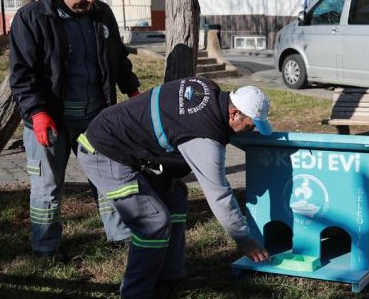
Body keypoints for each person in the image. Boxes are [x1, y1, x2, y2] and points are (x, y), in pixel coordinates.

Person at [75, 79, 272, 298]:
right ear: (234, 114)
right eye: (250, 126)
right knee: (153, 222)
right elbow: (219, 196)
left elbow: (171, 124)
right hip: (103, 153)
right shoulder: (205, 137)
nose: (250, 130)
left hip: (124, 143)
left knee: (175, 196)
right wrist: (245, 240)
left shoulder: (209, 90)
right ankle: (135, 293)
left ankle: (170, 277)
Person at [9, 0, 140, 258]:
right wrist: (37, 113)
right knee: (47, 185)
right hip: (50, 121)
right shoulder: (31, 18)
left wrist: (131, 88)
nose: (90, 0)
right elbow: (22, 74)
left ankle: (120, 236)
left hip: (96, 118)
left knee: (110, 178)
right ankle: (45, 248)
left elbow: (117, 57)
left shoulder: (101, 14)